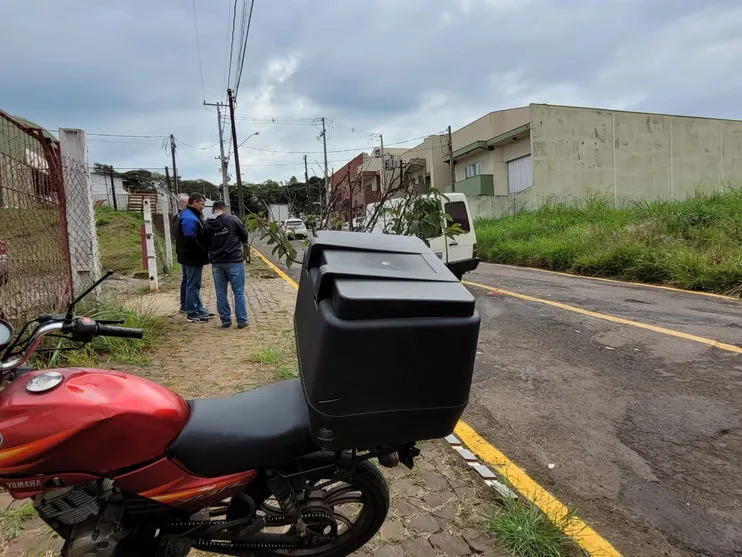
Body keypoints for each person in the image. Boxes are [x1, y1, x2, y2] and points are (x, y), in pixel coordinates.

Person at [205, 202, 249, 329]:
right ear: (224, 209)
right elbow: (244, 235)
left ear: (213, 210)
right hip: (234, 260)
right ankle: (241, 320)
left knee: (220, 292)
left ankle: (225, 320)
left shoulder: (208, 224)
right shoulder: (233, 220)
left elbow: (205, 242)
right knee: (238, 291)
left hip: (217, 263)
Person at [177, 193, 213, 323]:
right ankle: (192, 312)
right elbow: (190, 239)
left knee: (193, 284)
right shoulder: (189, 218)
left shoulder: (189, 215)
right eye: (202, 204)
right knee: (193, 285)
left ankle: (199, 310)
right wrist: (203, 249)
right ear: (195, 202)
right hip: (192, 257)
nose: (203, 207)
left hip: (188, 256)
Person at [172, 194, 189, 313]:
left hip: (182, 252)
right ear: (185, 203)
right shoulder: (182, 217)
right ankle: (185, 304)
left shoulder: (177, 216)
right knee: (188, 279)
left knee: (187, 278)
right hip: (186, 252)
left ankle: (185, 303)